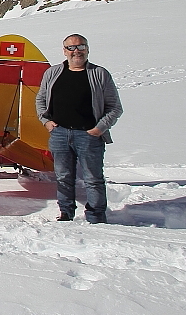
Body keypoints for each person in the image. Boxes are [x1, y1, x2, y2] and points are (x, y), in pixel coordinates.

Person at [35, 34, 123, 223]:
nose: (77, 51)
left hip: (89, 135)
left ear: (88, 49)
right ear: (64, 51)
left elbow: (115, 107)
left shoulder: (100, 74)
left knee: (93, 179)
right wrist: (46, 121)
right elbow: (40, 99)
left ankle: (96, 216)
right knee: (63, 177)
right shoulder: (53, 73)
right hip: (59, 133)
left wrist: (99, 129)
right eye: (71, 48)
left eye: (81, 46)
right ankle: (66, 213)